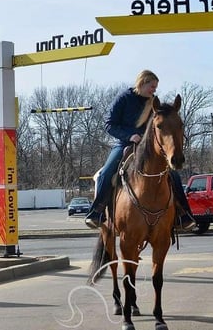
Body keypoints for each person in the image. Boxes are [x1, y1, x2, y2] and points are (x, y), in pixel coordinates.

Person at [84, 70, 197, 231]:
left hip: (149, 148)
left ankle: (184, 215)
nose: (154, 90)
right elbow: (109, 124)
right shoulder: (124, 98)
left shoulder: (153, 104)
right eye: (152, 86)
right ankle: (96, 212)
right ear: (143, 82)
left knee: (173, 175)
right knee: (106, 173)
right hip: (124, 144)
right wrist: (130, 136)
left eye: (155, 88)